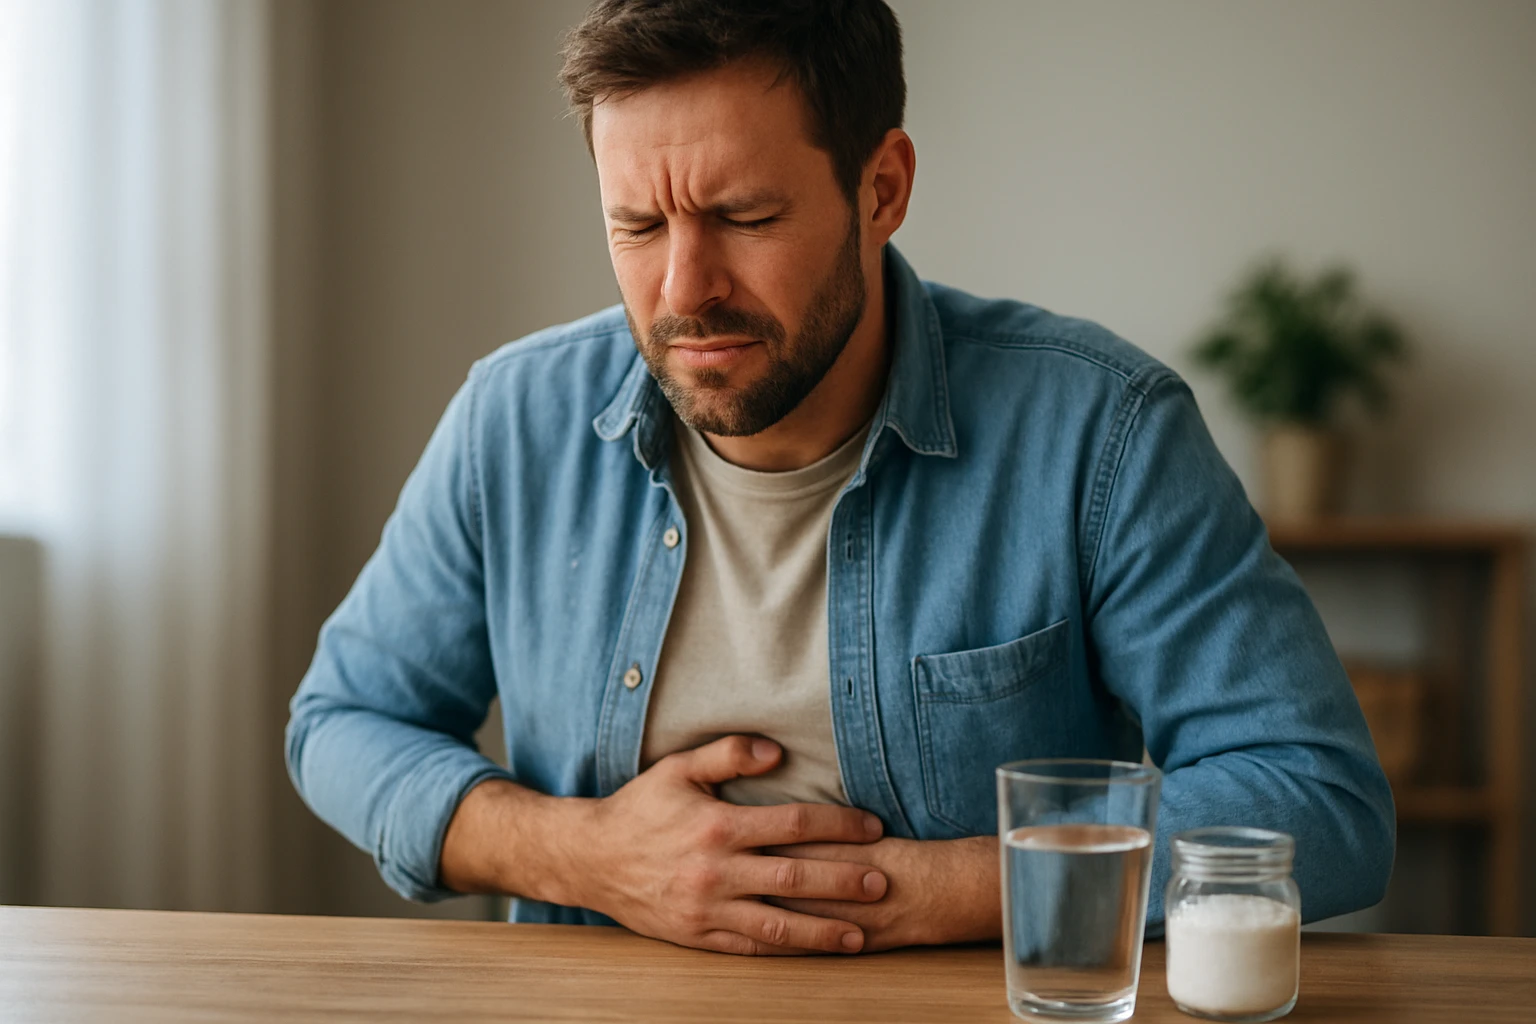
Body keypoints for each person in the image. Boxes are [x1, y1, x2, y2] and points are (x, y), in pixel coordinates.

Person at [285, 0, 1394, 957]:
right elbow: (341, 722)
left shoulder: (1101, 431)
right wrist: (585, 855)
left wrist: (934, 889)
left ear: (883, 187)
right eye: (636, 223)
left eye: (743, 216)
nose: (685, 291)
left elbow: (1321, 800)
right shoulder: (512, 419)